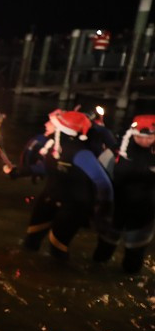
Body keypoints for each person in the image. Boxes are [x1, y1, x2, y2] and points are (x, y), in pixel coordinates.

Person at [12, 109, 112, 260]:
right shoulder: (54, 146)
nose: (48, 124)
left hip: (73, 205)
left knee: (57, 247)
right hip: (49, 197)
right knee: (30, 241)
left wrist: (103, 211)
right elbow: (46, 167)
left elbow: (103, 183)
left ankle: (58, 279)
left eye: (54, 123)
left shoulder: (82, 154)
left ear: (63, 130)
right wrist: (21, 171)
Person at [93, 115, 155, 272]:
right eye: (140, 137)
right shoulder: (117, 152)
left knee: (134, 259)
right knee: (103, 252)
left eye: (150, 138)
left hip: (144, 212)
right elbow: (98, 176)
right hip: (114, 209)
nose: (145, 141)